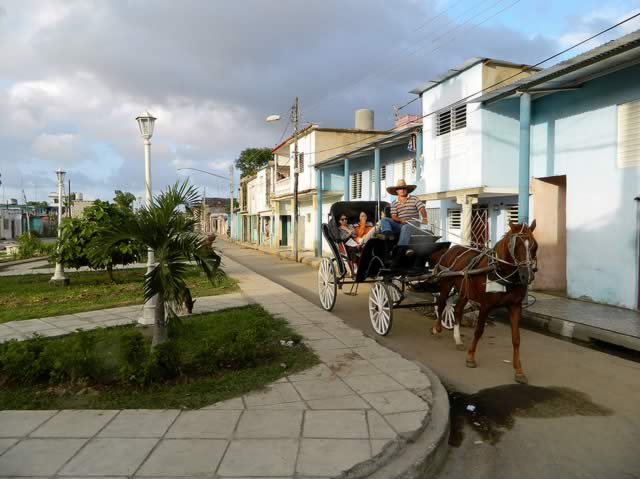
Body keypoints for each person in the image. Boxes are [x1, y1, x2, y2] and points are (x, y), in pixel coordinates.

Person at [380, 179, 428, 247]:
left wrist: (425, 218)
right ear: (397, 191)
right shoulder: (394, 203)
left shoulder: (414, 198)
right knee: (384, 220)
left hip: (413, 223)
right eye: (399, 189)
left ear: (407, 189)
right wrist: (401, 220)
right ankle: (388, 233)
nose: (402, 190)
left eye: (403, 188)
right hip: (400, 224)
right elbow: (393, 216)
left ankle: (400, 248)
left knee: (405, 227)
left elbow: (422, 208)